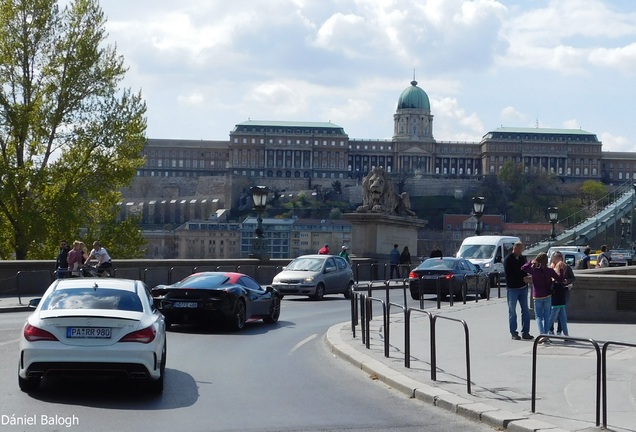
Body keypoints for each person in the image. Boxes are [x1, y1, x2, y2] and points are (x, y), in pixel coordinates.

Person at [521, 252, 564, 341]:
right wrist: (562, 270)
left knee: (538, 317)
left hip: (537, 296)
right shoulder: (550, 271)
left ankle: (542, 334)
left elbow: (523, 267)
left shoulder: (534, 271)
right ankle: (546, 335)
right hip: (547, 295)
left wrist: (531, 262)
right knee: (546, 316)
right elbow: (560, 280)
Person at [504, 241, 533, 341]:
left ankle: (526, 332)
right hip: (512, 289)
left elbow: (525, 270)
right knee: (512, 311)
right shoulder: (508, 259)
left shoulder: (522, 258)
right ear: (515, 248)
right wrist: (523, 277)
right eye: (520, 249)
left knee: (526, 311)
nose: (521, 251)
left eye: (522, 249)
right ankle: (514, 332)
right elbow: (511, 274)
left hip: (523, 288)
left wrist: (528, 275)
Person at [548, 251, 573, 339]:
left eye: (558, 257)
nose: (556, 260)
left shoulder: (564, 268)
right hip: (556, 293)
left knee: (558, 315)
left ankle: (558, 332)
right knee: (559, 315)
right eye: (555, 258)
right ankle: (551, 331)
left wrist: (567, 281)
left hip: (560, 294)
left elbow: (571, 278)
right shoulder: (552, 268)